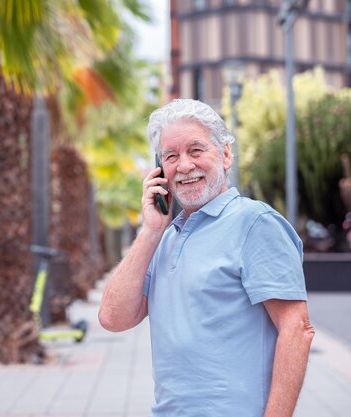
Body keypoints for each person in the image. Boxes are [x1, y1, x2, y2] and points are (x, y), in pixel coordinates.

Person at [98, 98, 314, 417]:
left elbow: (297, 328)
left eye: (196, 150)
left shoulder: (256, 222)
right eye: (171, 156)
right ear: (160, 170)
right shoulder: (164, 237)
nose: (184, 166)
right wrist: (150, 231)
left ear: (226, 154)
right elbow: (113, 319)